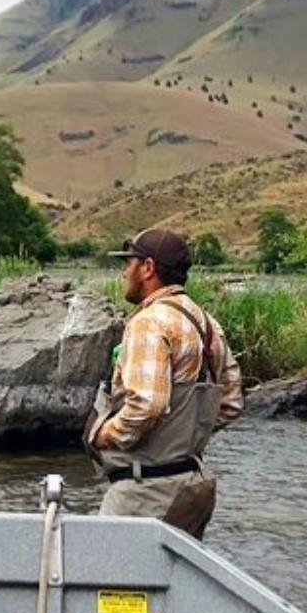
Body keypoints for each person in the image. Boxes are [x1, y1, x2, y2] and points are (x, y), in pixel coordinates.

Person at [85, 228, 243, 539]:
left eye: (128, 263)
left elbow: (147, 405)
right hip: (191, 487)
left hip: (145, 493)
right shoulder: (206, 322)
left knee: (105, 576)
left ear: (148, 268)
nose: (124, 273)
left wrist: (103, 435)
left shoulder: (148, 322)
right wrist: (186, 436)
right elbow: (231, 402)